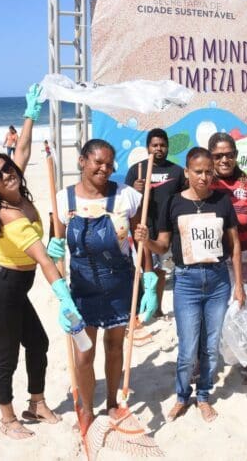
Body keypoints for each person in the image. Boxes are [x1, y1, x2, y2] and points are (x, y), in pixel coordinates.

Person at [0, 84, 84, 440]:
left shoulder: (14, 184)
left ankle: (36, 402)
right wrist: (64, 298)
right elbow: (44, 261)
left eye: (6, 169)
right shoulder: (8, 214)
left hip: (15, 288)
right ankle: (7, 419)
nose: (6, 174)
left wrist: (30, 114)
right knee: (6, 356)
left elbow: (20, 149)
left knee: (38, 344)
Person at [46, 139, 155, 431]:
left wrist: (151, 277)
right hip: (81, 285)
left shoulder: (127, 196)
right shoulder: (63, 198)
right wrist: (52, 248)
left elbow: (141, 241)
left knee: (114, 345)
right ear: (82, 161)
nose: (104, 169)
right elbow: (51, 242)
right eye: (98, 162)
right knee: (84, 350)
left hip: (120, 283)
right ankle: (84, 407)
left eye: (109, 164)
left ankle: (110, 402)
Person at [134, 147, 246, 423]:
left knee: (210, 346)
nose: (204, 177)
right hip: (186, 283)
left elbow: (234, 244)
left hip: (219, 281)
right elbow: (161, 245)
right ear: (187, 172)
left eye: (209, 172)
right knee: (187, 349)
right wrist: (145, 240)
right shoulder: (173, 203)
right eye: (198, 171)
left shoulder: (222, 201)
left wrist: (239, 284)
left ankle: (204, 396)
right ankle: (183, 396)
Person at [208, 132, 247, 383]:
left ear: (236, 155)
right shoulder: (203, 182)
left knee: (243, 310)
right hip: (210, 261)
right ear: (210, 156)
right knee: (211, 312)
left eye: (229, 155)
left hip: (245, 259)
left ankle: (246, 361)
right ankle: (205, 360)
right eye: (218, 155)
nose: (224, 159)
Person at [125, 128, 187, 318]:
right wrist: (134, 188)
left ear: (168, 147)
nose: (159, 149)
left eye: (162, 145)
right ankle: (139, 308)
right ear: (148, 148)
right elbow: (125, 200)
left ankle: (157, 308)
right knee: (143, 269)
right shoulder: (137, 170)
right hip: (143, 226)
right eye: (155, 145)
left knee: (160, 270)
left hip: (166, 229)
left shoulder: (176, 171)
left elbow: (183, 198)